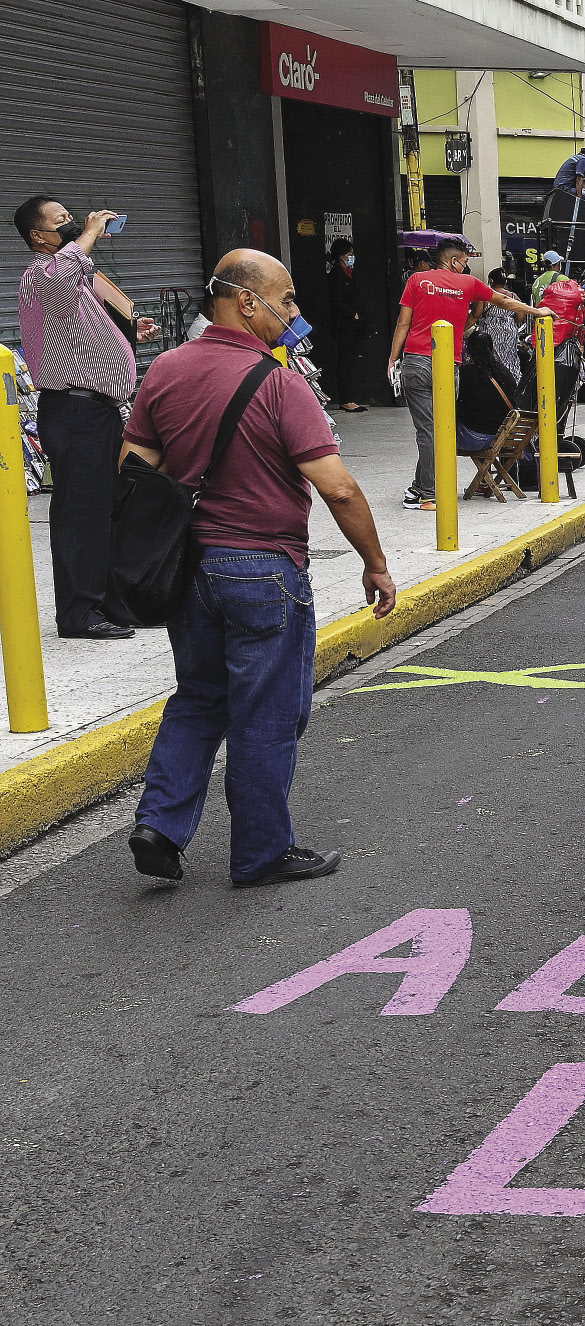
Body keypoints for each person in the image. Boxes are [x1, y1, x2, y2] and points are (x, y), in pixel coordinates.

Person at [120, 250, 397, 887]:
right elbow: (339, 489)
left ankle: (159, 825)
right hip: (265, 570)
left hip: (190, 569)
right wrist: (375, 563)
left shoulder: (165, 369)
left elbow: (134, 470)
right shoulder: (279, 382)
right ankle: (261, 852)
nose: (294, 312)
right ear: (247, 302)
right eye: (288, 298)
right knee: (267, 714)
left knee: (199, 698)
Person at [12, 196, 157, 639]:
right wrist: (91, 232)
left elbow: (82, 332)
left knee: (104, 510)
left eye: (72, 218)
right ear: (39, 236)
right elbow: (59, 285)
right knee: (81, 514)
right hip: (74, 411)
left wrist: (131, 331)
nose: (73, 224)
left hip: (96, 411)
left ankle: (106, 603)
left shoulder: (73, 278)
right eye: (62, 220)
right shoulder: (42, 273)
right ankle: (78, 614)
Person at [386, 236, 535, 513]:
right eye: (465, 262)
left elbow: (403, 323)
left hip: (417, 361)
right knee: (440, 429)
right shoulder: (468, 284)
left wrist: (393, 359)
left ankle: (425, 491)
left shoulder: (417, 280)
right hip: (448, 365)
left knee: (427, 430)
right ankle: (422, 489)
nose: (466, 267)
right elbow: (504, 301)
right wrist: (537, 311)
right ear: (454, 261)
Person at [321, 237, 372, 413]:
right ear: (341, 256)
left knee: (351, 362)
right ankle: (346, 399)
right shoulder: (335, 276)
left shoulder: (351, 273)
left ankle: (351, 397)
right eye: (349, 254)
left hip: (354, 326)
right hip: (343, 326)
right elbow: (335, 301)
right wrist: (352, 313)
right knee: (345, 362)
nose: (352, 257)